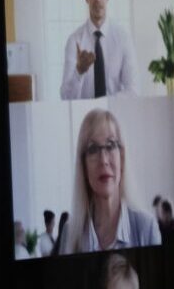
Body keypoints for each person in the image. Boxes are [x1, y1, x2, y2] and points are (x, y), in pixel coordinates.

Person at [62, 107, 160, 253]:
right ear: (83, 165)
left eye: (110, 145)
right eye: (93, 149)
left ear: (122, 157)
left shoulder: (147, 227)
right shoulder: (70, 232)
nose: (103, 160)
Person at [58, 0, 136, 99]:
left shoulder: (123, 38)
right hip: (84, 118)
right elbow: (65, 98)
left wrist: (104, 103)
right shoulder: (74, 41)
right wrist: (79, 71)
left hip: (114, 116)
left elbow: (133, 90)